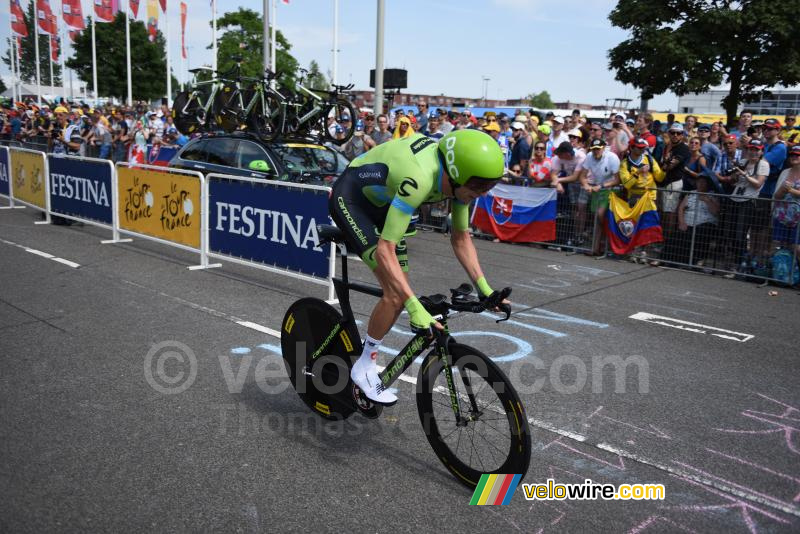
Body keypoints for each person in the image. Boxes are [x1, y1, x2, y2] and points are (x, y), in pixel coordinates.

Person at [329, 130, 506, 404]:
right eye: (476, 189)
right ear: (456, 173)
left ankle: (372, 347)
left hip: (385, 203)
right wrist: (415, 308)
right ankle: (364, 365)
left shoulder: (459, 179)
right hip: (352, 198)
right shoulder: (420, 177)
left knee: (401, 293)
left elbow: (460, 238)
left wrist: (486, 290)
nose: (478, 195)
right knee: (397, 294)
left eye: (486, 189)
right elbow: (386, 249)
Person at [578, 138, 620, 255]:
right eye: (594, 149)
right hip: (597, 190)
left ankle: (606, 244)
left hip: (611, 190)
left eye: (598, 149)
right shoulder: (589, 156)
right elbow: (582, 176)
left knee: (600, 215)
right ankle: (596, 248)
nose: (596, 151)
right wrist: (586, 185)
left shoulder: (612, 157)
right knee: (597, 218)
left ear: (603, 148)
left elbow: (617, 180)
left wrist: (601, 185)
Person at [676, 175, 720, 267]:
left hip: (705, 222)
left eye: (703, 182)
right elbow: (681, 208)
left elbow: (715, 212)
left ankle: (697, 261)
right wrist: (681, 222)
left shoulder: (713, 195)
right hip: (689, 222)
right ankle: (672, 260)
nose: (700, 184)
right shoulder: (691, 193)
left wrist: (707, 200)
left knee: (700, 234)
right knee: (678, 235)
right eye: (699, 182)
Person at [771, 144, 800, 253]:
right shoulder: (785, 172)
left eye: (797, 155)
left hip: (798, 218)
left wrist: (790, 190)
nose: (794, 157)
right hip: (781, 215)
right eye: (792, 154)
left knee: (796, 248)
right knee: (777, 246)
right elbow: (776, 196)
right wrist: (783, 190)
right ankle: (780, 269)